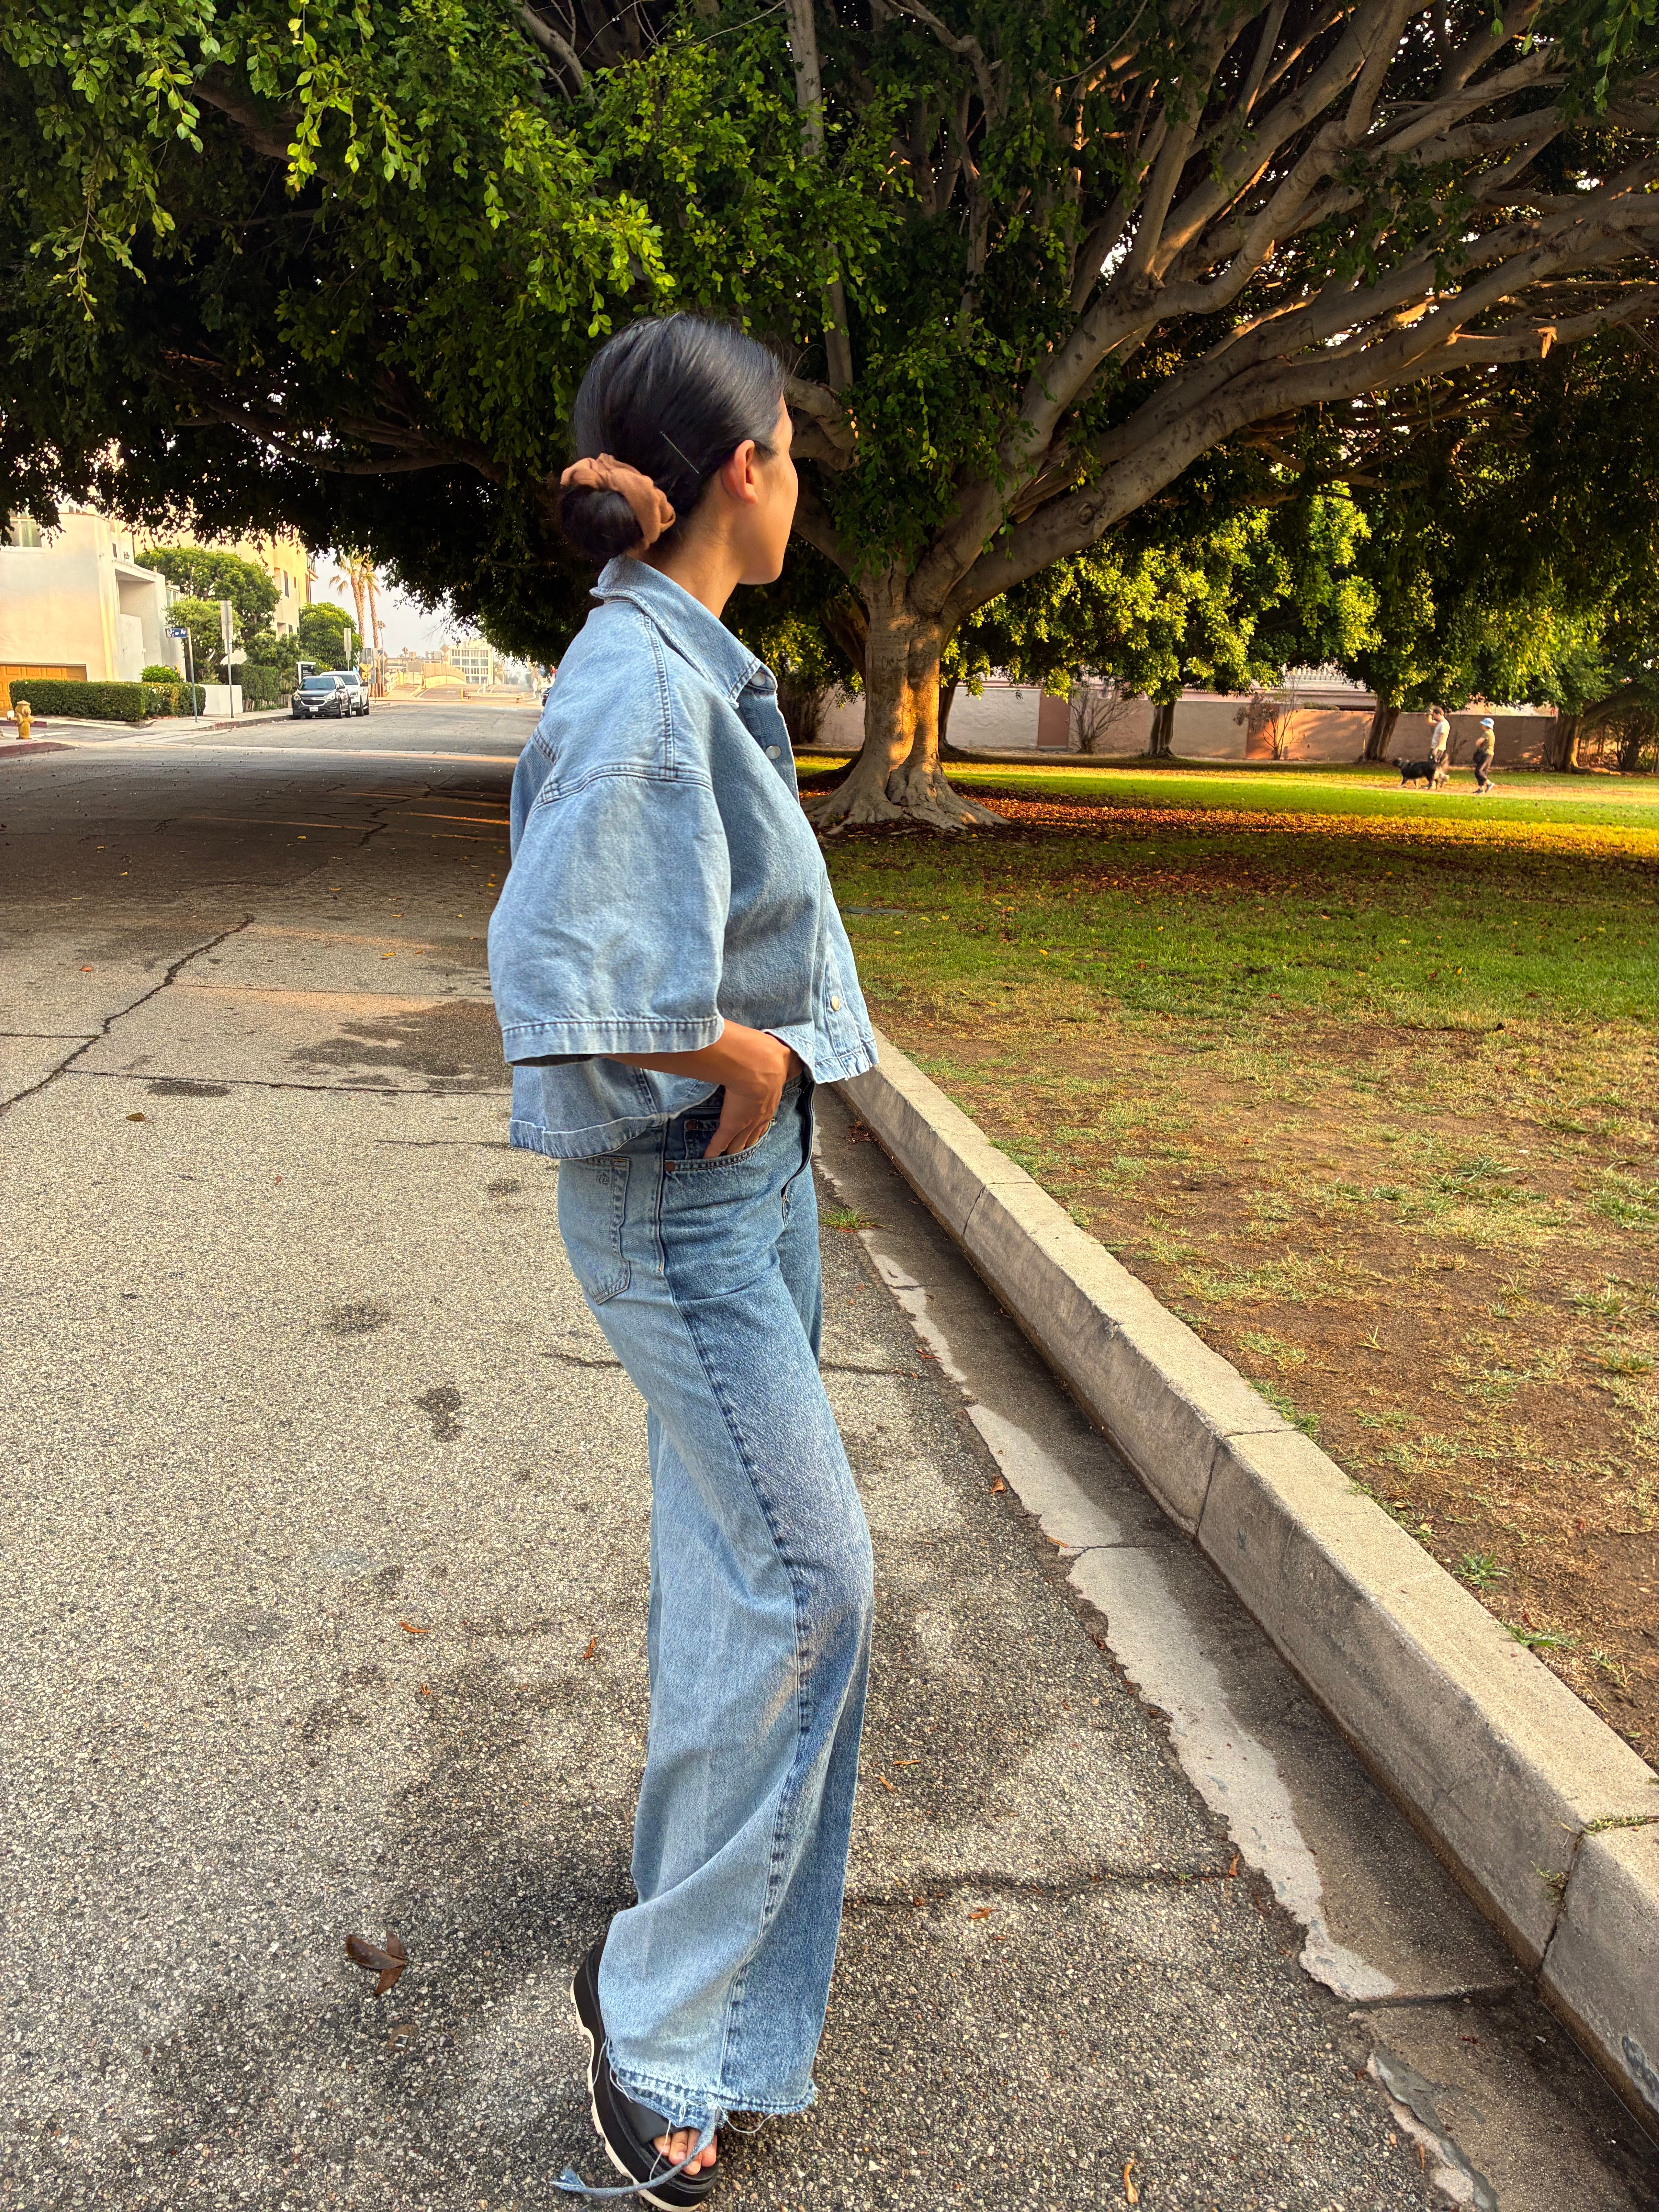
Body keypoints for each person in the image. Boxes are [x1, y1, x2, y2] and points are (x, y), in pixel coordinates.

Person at [487, 316, 878, 2208]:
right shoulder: (640, 684)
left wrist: (765, 1061)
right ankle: (659, 2039)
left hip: (747, 1188)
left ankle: (686, 1954)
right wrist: (724, 1050)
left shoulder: (681, 657)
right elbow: (557, 968)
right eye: (791, 447)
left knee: (742, 1578)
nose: (799, 477)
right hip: (688, 1192)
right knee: (812, 1585)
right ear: (746, 468)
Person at [1428, 706, 1451, 788]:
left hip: (1438, 748)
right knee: (1434, 765)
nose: (1434, 717)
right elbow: (1430, 722)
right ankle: (1443, 777)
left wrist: (1436, 748)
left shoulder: (1444, 724)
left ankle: (1433, 783)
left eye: (1434, 715)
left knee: (1432, 766)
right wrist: (1429, 714)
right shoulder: (1440, 723)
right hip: (1437, 747)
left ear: (1438, 714)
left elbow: (1442, 737)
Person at [1473, 715, 1496, 793]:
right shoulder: (1491, 733)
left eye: (1483, 724)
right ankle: (1481, 789)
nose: (1482, 726)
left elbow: (1478, 742)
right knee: (1483, 771)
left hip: (1486, 754)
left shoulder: (1487, 733)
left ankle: (1489, 783)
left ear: (1486, 726)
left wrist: (1479, 746)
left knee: (1478, 771)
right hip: (1490, 754)